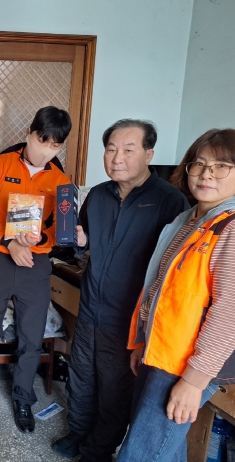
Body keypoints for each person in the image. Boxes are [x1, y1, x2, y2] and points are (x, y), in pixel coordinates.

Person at [52, 120, 189, 461]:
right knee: (81, 379)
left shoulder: (170, 201)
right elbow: (86, 243)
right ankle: (78, 434)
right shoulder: (98, 195)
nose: (117, 158)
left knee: (114, 391)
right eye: (111, 149)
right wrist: (80, 240)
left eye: (128, 149)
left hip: (127, 319)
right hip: (90, 309)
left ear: (148, 154)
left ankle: (97, 450)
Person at [117, 129, 235, 461]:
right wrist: (142, 342)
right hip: (161, 351)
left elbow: (228, 312)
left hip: (186, 363)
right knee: (163, 449)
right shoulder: (190, 219)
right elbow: (160, 288)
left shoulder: (230, 227)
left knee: (141, 454)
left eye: (222, 166)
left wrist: (194, 381)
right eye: (199, 164)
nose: (206, 174)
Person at [0, 106, 72, 432]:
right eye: (41, 141)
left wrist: (43, 239)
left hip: (35, 264)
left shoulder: (61, 181)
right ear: (28, 133)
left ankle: (24, 398)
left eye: (55, 146)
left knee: (31, 334)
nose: (46, 151)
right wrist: (9, 242)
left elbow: (62, 230)